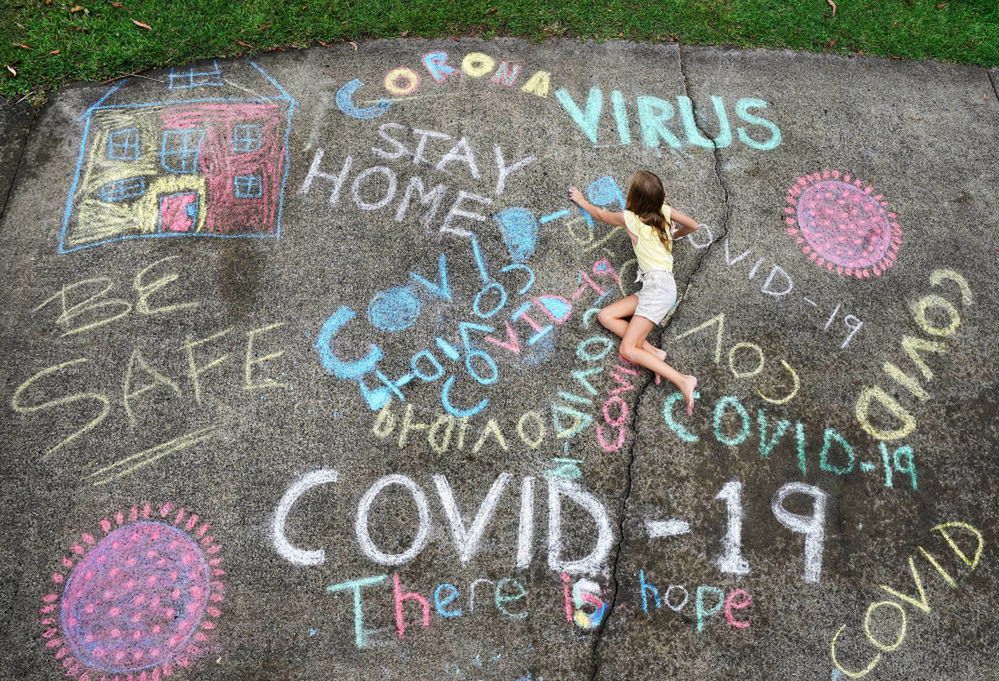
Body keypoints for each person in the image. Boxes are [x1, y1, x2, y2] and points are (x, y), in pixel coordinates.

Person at [568, 170, 699, 415]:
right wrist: (673, 236)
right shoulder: (665, 211)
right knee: (606, 316)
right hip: (655, 287)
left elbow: (599, 214)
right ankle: (654, 353)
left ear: (634, 199)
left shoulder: (631, 219)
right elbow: (693, 225)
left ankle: (682, 379)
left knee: (628, 349)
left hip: (659, 290)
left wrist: (580, 199)